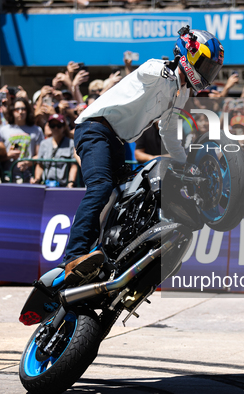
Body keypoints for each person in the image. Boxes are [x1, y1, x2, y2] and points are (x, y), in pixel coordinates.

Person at [59, 27, 224, 287]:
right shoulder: (157, 69)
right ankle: (74, 257)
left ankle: (108, 255)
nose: (207, 73)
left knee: (131, 193)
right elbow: (149, 70)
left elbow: (168, 133)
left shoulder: (181, 93)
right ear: (188, 55)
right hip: (94, 128)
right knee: (101, 186)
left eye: (211, 69)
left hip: (115, 141)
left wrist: (186, 166)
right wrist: (166, 70)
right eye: (204, 64)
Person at [0, 97, 44, 183]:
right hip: (8, 177)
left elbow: (40, 155)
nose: (20, 112)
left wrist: (28, 162)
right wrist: (7, 155)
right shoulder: (3, 130)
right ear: (12, 111)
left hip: (29, 177)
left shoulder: (36, 130)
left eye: (23, 109)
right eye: (17, 109)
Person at [31, 114, 79, 187]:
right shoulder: (44, 143)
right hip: (46, 185)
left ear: (64, 127)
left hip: (63, 185)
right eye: (52, 125)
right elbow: (40, 165)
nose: (55, 128)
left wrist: (70, 183)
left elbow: (73, 166)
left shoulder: (71, 143)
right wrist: (37, 179)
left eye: (59, 125)